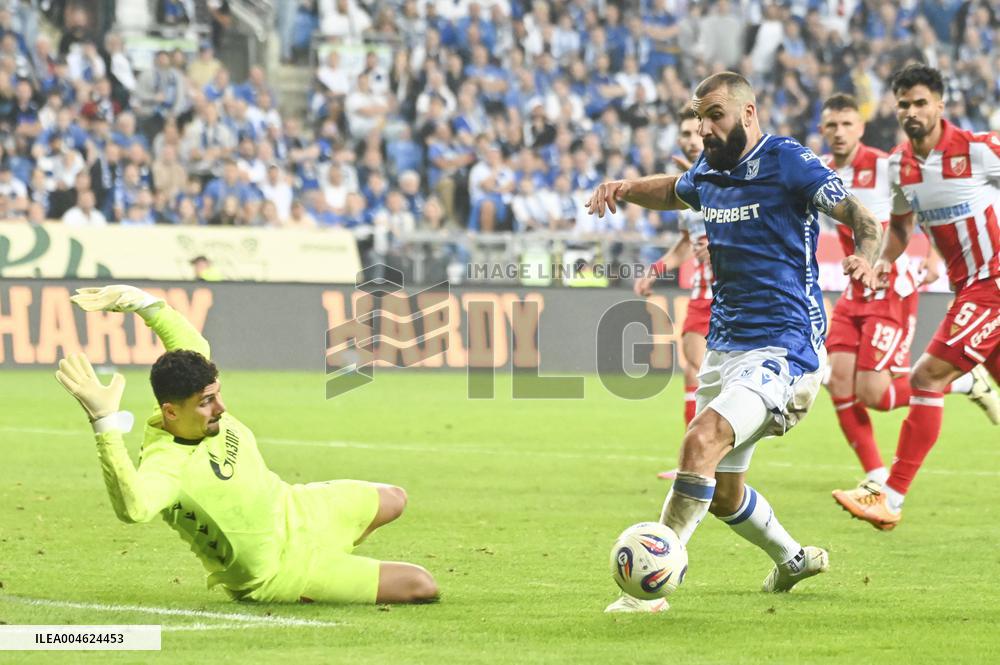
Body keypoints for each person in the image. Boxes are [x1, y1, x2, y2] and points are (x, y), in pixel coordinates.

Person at [587, 72, 883, 613]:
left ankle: (647, 587)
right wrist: (625, 188)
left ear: (747, 113)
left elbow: (859, 214)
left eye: (715, 115)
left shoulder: (787, 160)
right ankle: (793, 559)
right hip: (727, 347)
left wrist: (867, 254)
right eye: (700, 118)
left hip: (784, 349)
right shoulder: (709, 169)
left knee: (700, 441)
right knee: (723, 493)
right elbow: (675, 191)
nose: (704, 128)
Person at [55, 285, 439, 604]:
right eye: (206, 402)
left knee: (395, 497)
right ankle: (318, 580)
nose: (221, 407)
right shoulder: (166, 465)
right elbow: (134, 508)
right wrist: (105, 423)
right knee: (422, 585)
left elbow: (190, 341)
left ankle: (335, 557)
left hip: (296, 508)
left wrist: (140, 301)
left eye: (217, 394)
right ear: (171, 413)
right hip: (280, 569)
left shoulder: (202, 400)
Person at [833, 64, 1000, 531]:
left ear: (941, 105)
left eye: (920, 102)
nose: (911, 111)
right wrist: (879, 260)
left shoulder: (979, 150)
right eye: (903, 103)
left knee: (926, 377)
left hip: (994, 282)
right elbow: (902, 227)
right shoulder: (899, 166)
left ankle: (891, 497)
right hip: (969, 286)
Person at [633, 106, 710, 434]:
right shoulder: (685, 186)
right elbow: (686, 242)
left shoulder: (738, 177)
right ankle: (692, 461)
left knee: (716, 378)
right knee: (694, 372)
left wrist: (723, 246)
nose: (691, 140)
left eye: (697, 132)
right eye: (685, 134)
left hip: (738, 294)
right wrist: (657, 269)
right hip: (702, 293)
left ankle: (718, 460)